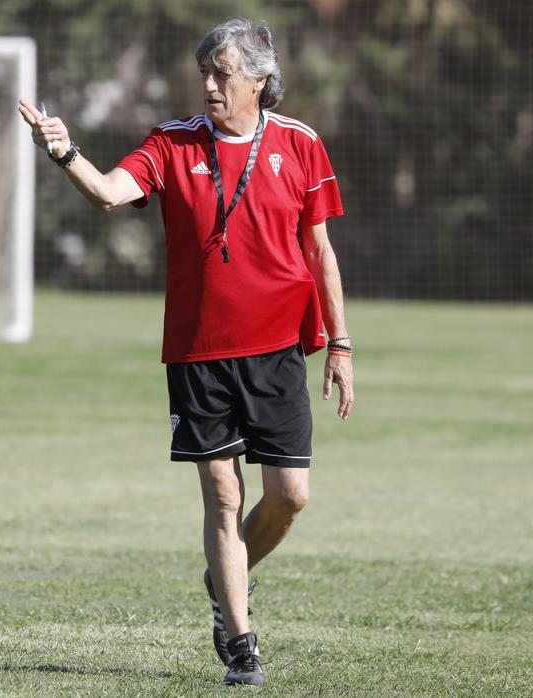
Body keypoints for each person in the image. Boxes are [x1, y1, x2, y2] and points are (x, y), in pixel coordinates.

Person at [19, 17, 354, 687]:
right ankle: (240, 642)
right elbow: (111, 192)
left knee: (290, 496)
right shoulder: (171, 144)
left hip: (280, 349)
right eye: (202, 72)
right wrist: (65, 153)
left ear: (258, 81)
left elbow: (320, 251)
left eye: (220, 74)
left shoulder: (302, 144)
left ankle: (223, 573)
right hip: (199, 354)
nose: (207, 84)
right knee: (223, 497)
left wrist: (340, 344)